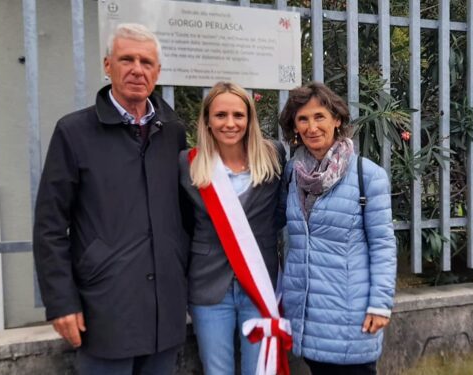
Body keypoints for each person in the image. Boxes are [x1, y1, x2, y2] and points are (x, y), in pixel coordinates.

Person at [33, 23, 188, 374]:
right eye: (126, 59)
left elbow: (185, 212)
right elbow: (50, 224)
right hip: (104, 307)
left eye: (146, 62)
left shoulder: (173, 132)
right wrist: (60, 302)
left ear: (158, 72)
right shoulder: (73, 132)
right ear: (107, 65)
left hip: (165, 310)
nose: (137, 69)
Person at [279, 82, 397, 374]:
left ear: (337, 120)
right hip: (308, 314)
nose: (312, 127)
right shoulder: (292, 174)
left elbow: (383, 244)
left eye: (319, 116)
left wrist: (380, 304)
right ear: (294, 127)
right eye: (303, 119)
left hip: (351, 314)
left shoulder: (367, 175)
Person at [179, 81, 287, 375]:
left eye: (238, 115)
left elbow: (279, 214)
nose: (230, 123)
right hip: (209, 288)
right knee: (217, 371)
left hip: (258, 282)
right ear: (207, 121)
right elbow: (184, 223)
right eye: (220, 115)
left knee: (260, 370)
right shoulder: (189, 164)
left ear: (250, 119)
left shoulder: (273, 155)